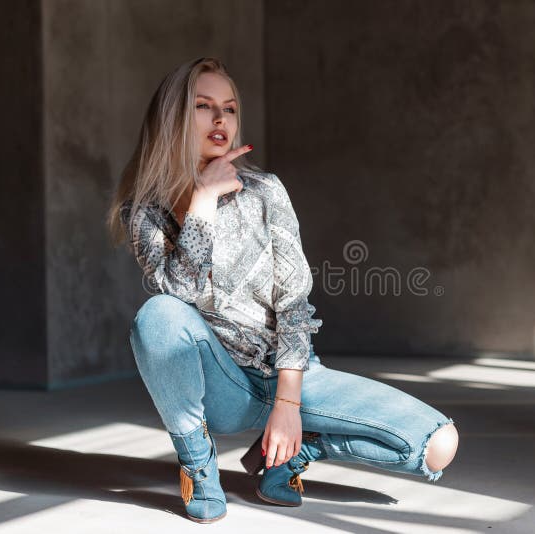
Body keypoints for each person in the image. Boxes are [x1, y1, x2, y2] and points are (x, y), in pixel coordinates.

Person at [107, 57, 459, 524]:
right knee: (157, 316)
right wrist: (204, 200)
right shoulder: (145, 210)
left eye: (229, 109)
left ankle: (288, 454)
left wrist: (289, 406)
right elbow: (179, 290)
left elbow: (294, 303)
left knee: (438, 444)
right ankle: (197, 463)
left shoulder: (265, 190)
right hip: (223, 385)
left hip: (293, 374)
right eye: (204, 106)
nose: (220, 120)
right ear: (173, 118)